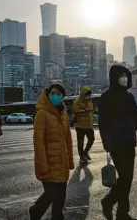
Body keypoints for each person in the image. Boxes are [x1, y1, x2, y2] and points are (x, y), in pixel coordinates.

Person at [98, 65, 137, 220]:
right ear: (114, 78)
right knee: (125, 176)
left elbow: (136, 119)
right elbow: (104, 123)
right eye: (121, 76)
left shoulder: (129, 97)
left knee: (127, 179)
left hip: (130, 142)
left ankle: (121, 211)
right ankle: (110, 202)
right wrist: (107, 143)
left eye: (126, 75)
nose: (125, 78)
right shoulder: (106, 97)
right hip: (116, 144)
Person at [29, 83, 74, 220]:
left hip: (62, 163)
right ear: (48, 94)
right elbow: (39, 142)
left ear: (62, 98)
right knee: (51, 193)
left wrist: (70, 161)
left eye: (59, 94)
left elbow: (68, 139)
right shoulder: (42, 114)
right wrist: (43, 165)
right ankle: (35, 212)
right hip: (48, 163)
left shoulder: (64, 114)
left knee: (61, 197)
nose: (55, 96)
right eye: (53, 93)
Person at [72, 86, 95, 163]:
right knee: (80, 142)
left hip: (89, 125)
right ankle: (81, 156)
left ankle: (86, 152)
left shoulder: (90, 102)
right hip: (80, 126)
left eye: (89, 95)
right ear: (82, 95)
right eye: (87, 95)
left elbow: (91, 112)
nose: (88, 96)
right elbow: (76, 111)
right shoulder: (76, 102)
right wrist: (86, 110)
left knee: (92, 139)